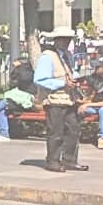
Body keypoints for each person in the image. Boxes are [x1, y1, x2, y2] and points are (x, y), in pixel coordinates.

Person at [34, 27, 85, 173]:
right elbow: (39, 79)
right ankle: (53, 160)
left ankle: (69, 159)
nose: (66, 42)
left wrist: (75, 79)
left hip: (69, 99)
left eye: (68, 39)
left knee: (73, 129)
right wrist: (62, 83)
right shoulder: (47, 57)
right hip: (54, 99)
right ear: (56, 40)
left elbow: (69, 72)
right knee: (56, 131)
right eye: (63, 39)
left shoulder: (67, 55)